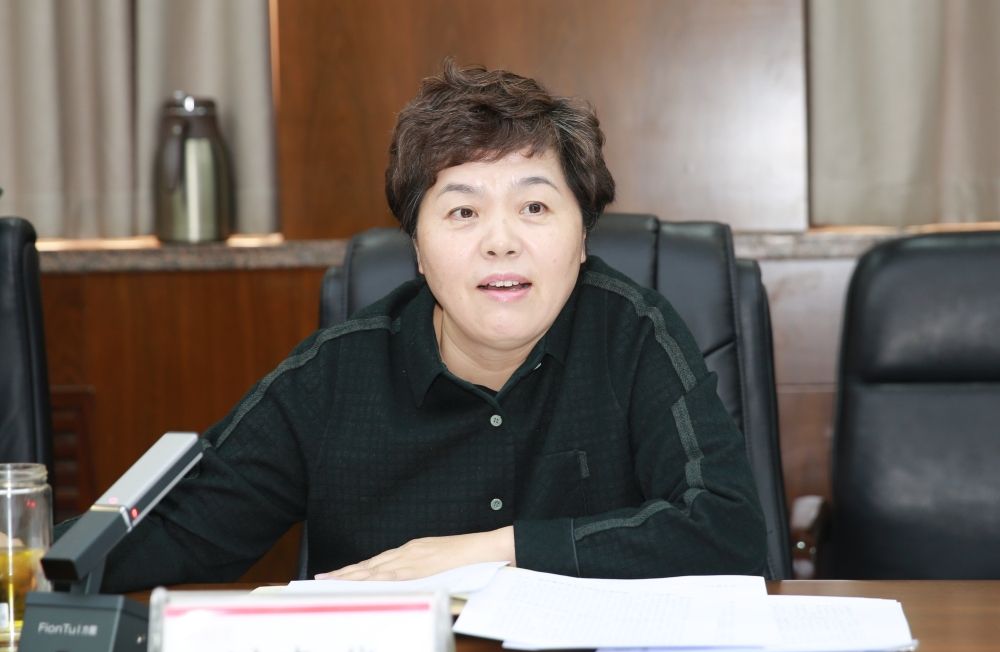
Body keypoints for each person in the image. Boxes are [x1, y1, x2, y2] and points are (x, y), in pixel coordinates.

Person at [92, 60, 766, 591]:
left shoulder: (634, 335)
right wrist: (42, 554)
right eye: (462, 212)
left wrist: (494, 551)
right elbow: (175, 534)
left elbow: (726, 530)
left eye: (534, 207)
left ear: (583, 235)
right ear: (416, 247)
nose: (501, 243)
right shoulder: (333, 377)